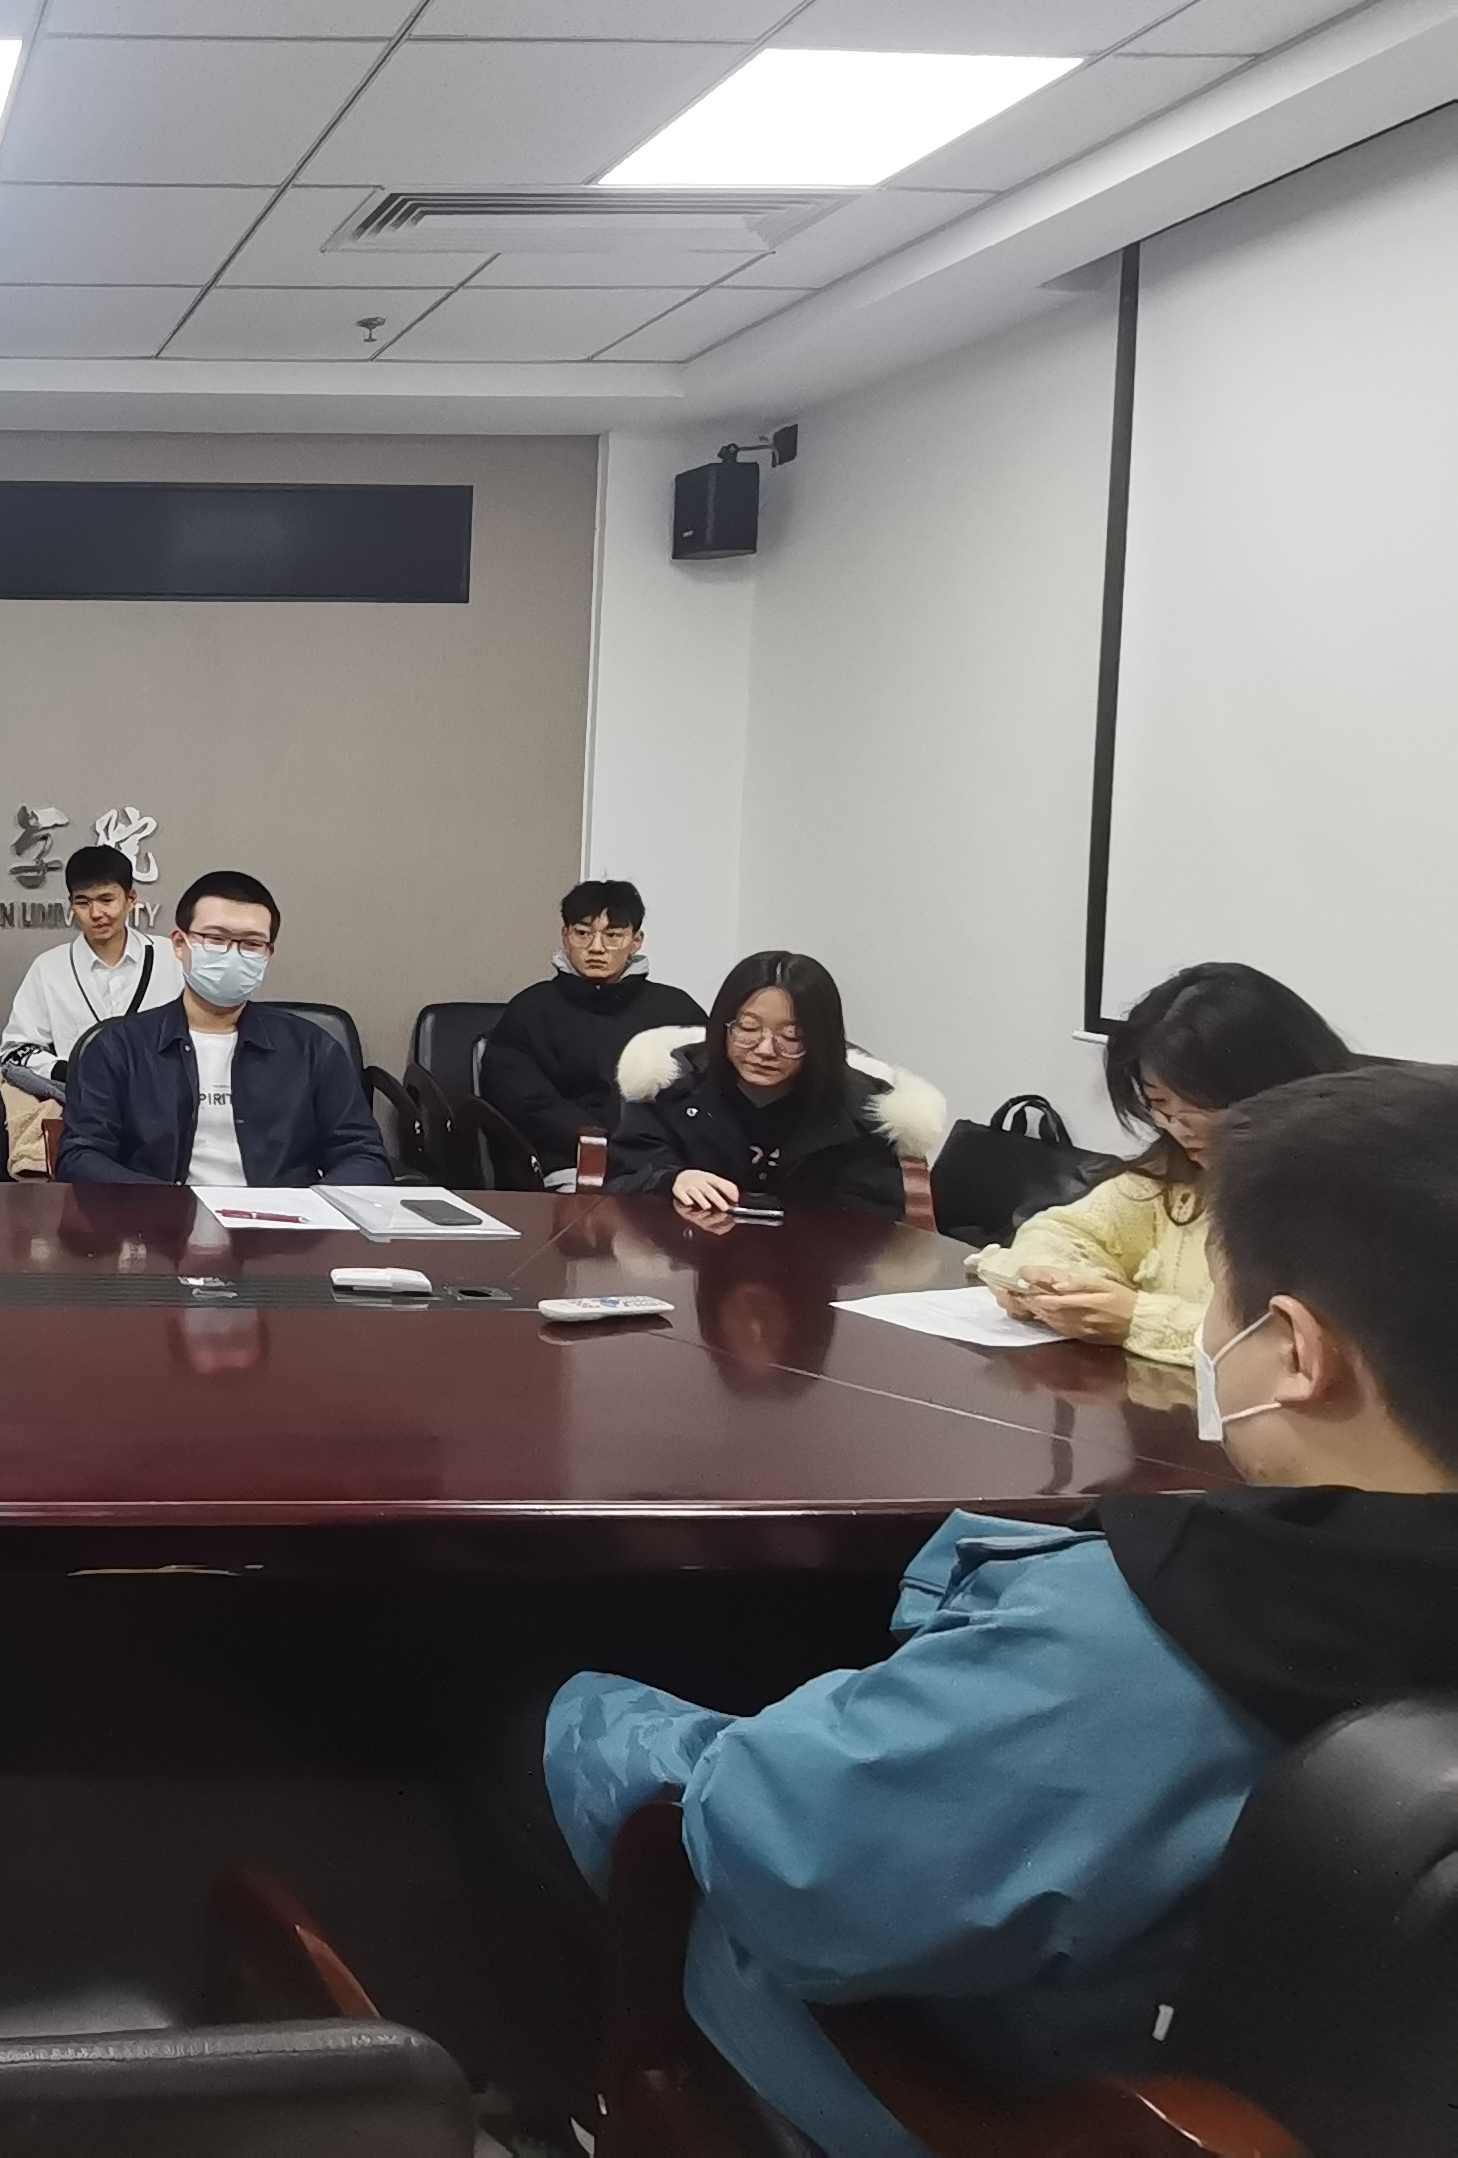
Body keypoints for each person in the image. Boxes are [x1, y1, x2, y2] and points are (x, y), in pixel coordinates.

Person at [541, 1062, 1458, 2158]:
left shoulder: (1144, 1642)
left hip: (1019, 2103)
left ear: (1299, 1354)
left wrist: (633, 1732)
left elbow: (788, 1868)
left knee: (562, 1721)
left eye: (1218, 1293)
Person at [973, 962, 1351, 1365]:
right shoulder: (1176, 1174)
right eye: (1159, 1103)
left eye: (1201, 1102)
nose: (1178, 1127)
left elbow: (1307, 1351)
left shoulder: (1346, 1200)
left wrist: (1136, 1318)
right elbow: (1063, 1231)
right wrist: (1051, 1286)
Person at [56, 869, 389, 1187]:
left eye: (252, 943)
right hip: (157, 1222)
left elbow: (363, 1155)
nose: (233, 954)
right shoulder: (117, 1048)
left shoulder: (313, 1048)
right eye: (215, 939)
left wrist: (309, 1208)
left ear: (268, 954)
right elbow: (81, 1157)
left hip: (283, 1224)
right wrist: (165, 1204)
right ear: (180, 944)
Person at [607, 953, 944, 1221]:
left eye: (791, 1036)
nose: (765, 1050)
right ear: (723, 1026)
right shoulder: (669, 1087)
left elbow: (872, 1226)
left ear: (822, 1040)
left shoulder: (865, 1114)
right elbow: (621, 1183)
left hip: (810, 1272)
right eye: (748, 1028)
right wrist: (671, 1180)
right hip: (692, 1266)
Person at [479, 879, 706, 1183]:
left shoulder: (676, 1009)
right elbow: (525, 1104)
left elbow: (705, 1096)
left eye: (613, 936)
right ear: (565, 937)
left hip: (668, 1167)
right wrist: (609, 1145)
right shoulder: (530, 1009)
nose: (596, 948)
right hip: (572, 1165)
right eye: (583, 933)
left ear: (636, 941)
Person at [0, 843, 184, 1178]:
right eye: (83, 902)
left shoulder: (173, 958)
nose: (96, 913)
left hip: (167, 1112)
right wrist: (69, 1071)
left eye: (107, 900)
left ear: (131, 899)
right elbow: (15, 1052)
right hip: (85, 1115)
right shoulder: (49, 967)